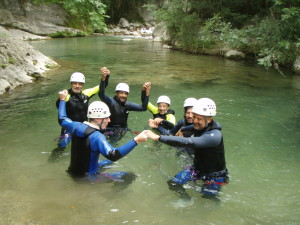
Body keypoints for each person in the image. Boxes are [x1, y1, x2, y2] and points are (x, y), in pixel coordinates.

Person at [146, 98, 228, 199]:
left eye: (199, 119)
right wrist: (177, 129)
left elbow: (190, 142)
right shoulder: (199, 126)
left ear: (209, 119)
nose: (195, 121)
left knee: (207, 198)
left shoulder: (215, 135)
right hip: (197, 169)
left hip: (214, 176)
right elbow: (183, 129)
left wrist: (158, 137)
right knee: (173, 183)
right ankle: (186, 200)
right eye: (194, 117)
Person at [57, 89, 148, 179]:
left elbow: (62, 119)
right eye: (107, 117)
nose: (109, 120)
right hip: (88, 177)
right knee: (129, 176)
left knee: (106, 162)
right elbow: (113, 155)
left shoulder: (76, 126)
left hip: (72, 172)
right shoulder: (97, 137)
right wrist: (136, 140)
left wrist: (62, 100)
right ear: (97, 119)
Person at [55, 69, 110, 148]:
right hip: (69, 128)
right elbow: (58, 106)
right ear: (71, 84)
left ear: (83, 85)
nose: (77, 86)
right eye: (75, 83)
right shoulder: (66, 96)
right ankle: (53, 159)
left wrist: (105, 77)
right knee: (61, 147)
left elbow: (102, 87)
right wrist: (61, 99)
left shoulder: (86, 94)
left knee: (84, 147)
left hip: (83, 127)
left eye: (80, 84)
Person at [98, 68, 151, 139]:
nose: (123, 95)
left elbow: (143, 108)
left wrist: (145, 92)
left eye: (126, 93)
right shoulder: (112, 102)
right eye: (121, 93)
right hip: (110, 131)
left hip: (124, 130)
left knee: (143, 135)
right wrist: (104, 79)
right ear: (116, 93)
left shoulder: (127, 105)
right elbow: (101, 95)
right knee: (114, 142)